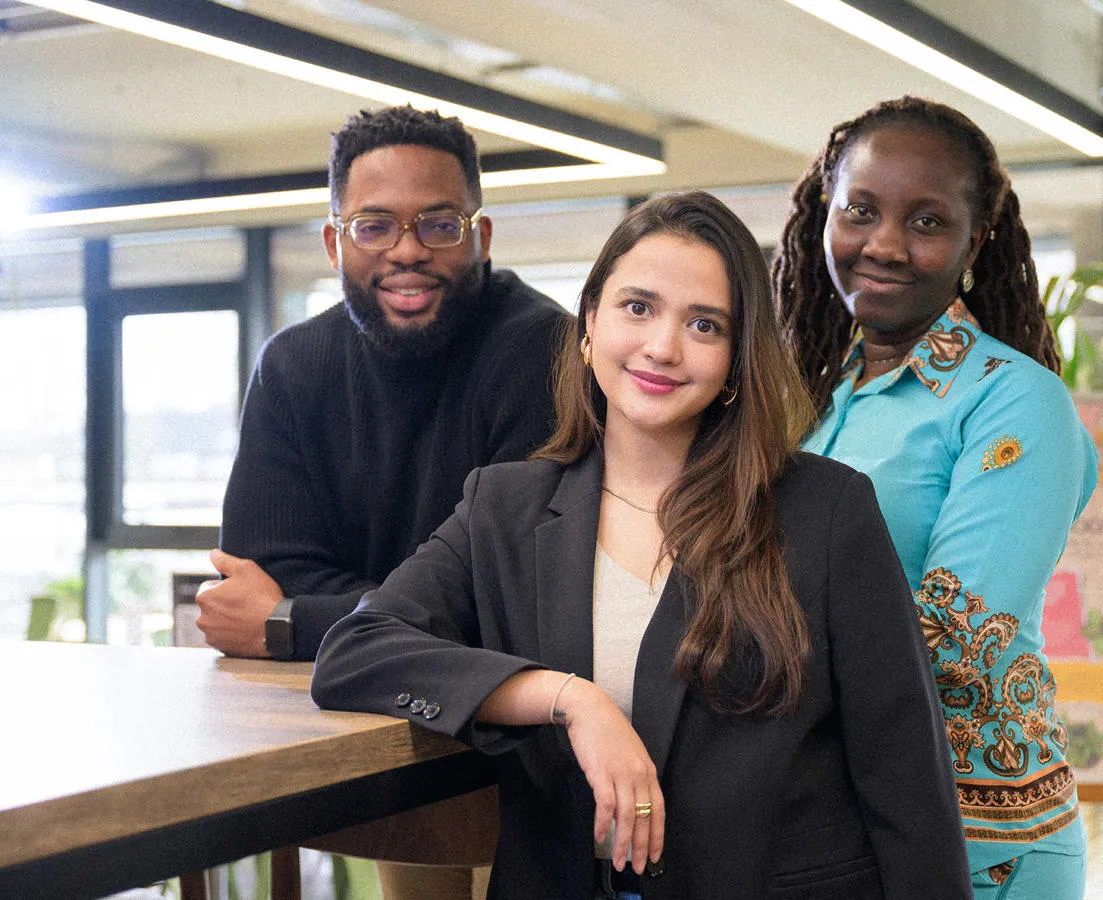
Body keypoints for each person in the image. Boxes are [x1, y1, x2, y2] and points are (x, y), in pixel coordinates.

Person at [311, 190, 971, 899]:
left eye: (704, 324)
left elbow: (906, 784)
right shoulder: (503, 507)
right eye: (638, 308)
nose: (663, 346)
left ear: (735, 357)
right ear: (590, 321)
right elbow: (357, 651)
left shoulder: (826, 511)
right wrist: (571, 700)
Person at [196, 105, 570, 898]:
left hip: (533, 746)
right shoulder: (294, 368)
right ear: (336, 241)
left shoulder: (545, 351)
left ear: (481, 235)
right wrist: (388, 624)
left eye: (439, 224)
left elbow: (510, 604)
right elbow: (264, 572)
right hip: (376, 735)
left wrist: (295, 620)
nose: (407, 252)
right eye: (374, 226)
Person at [773, 97, 1099, 899]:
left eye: (925, 222)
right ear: (825, 214)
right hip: (827, 828)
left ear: (974, 241)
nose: (883, 245)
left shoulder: (1016, 402)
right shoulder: (811, 396)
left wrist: (721, 682)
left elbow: (955, 633)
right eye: (860, 211)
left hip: (977, 842)